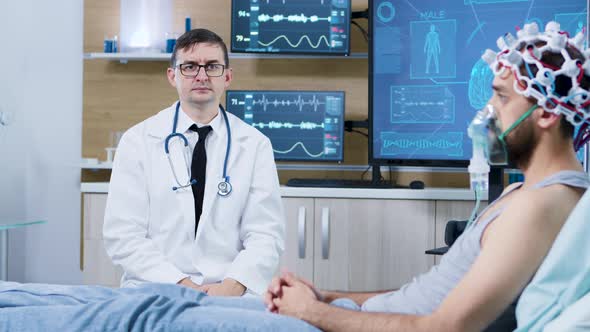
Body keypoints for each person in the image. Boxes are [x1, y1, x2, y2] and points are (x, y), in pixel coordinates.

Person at [264, 22, 590, 331]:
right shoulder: (523, 192)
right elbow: (424, 297)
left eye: (502, 97)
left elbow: (444, 327)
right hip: (353, 317)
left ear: (546, 113)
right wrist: (327, 298)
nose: (487, 111)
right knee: (210, 303)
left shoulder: (540, 206)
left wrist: (310, 311)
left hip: (348, 325)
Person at [102, 28, 285, 297]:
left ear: (228, 77)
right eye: (189, 66)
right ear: (172, 75)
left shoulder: (255, 144)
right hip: (155, 288)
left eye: (212, 66)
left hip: (230, 292)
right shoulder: (138, 141)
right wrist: (184, 286)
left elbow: (265, 235)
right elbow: (123, 235)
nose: (201, 75)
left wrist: (231, 287)